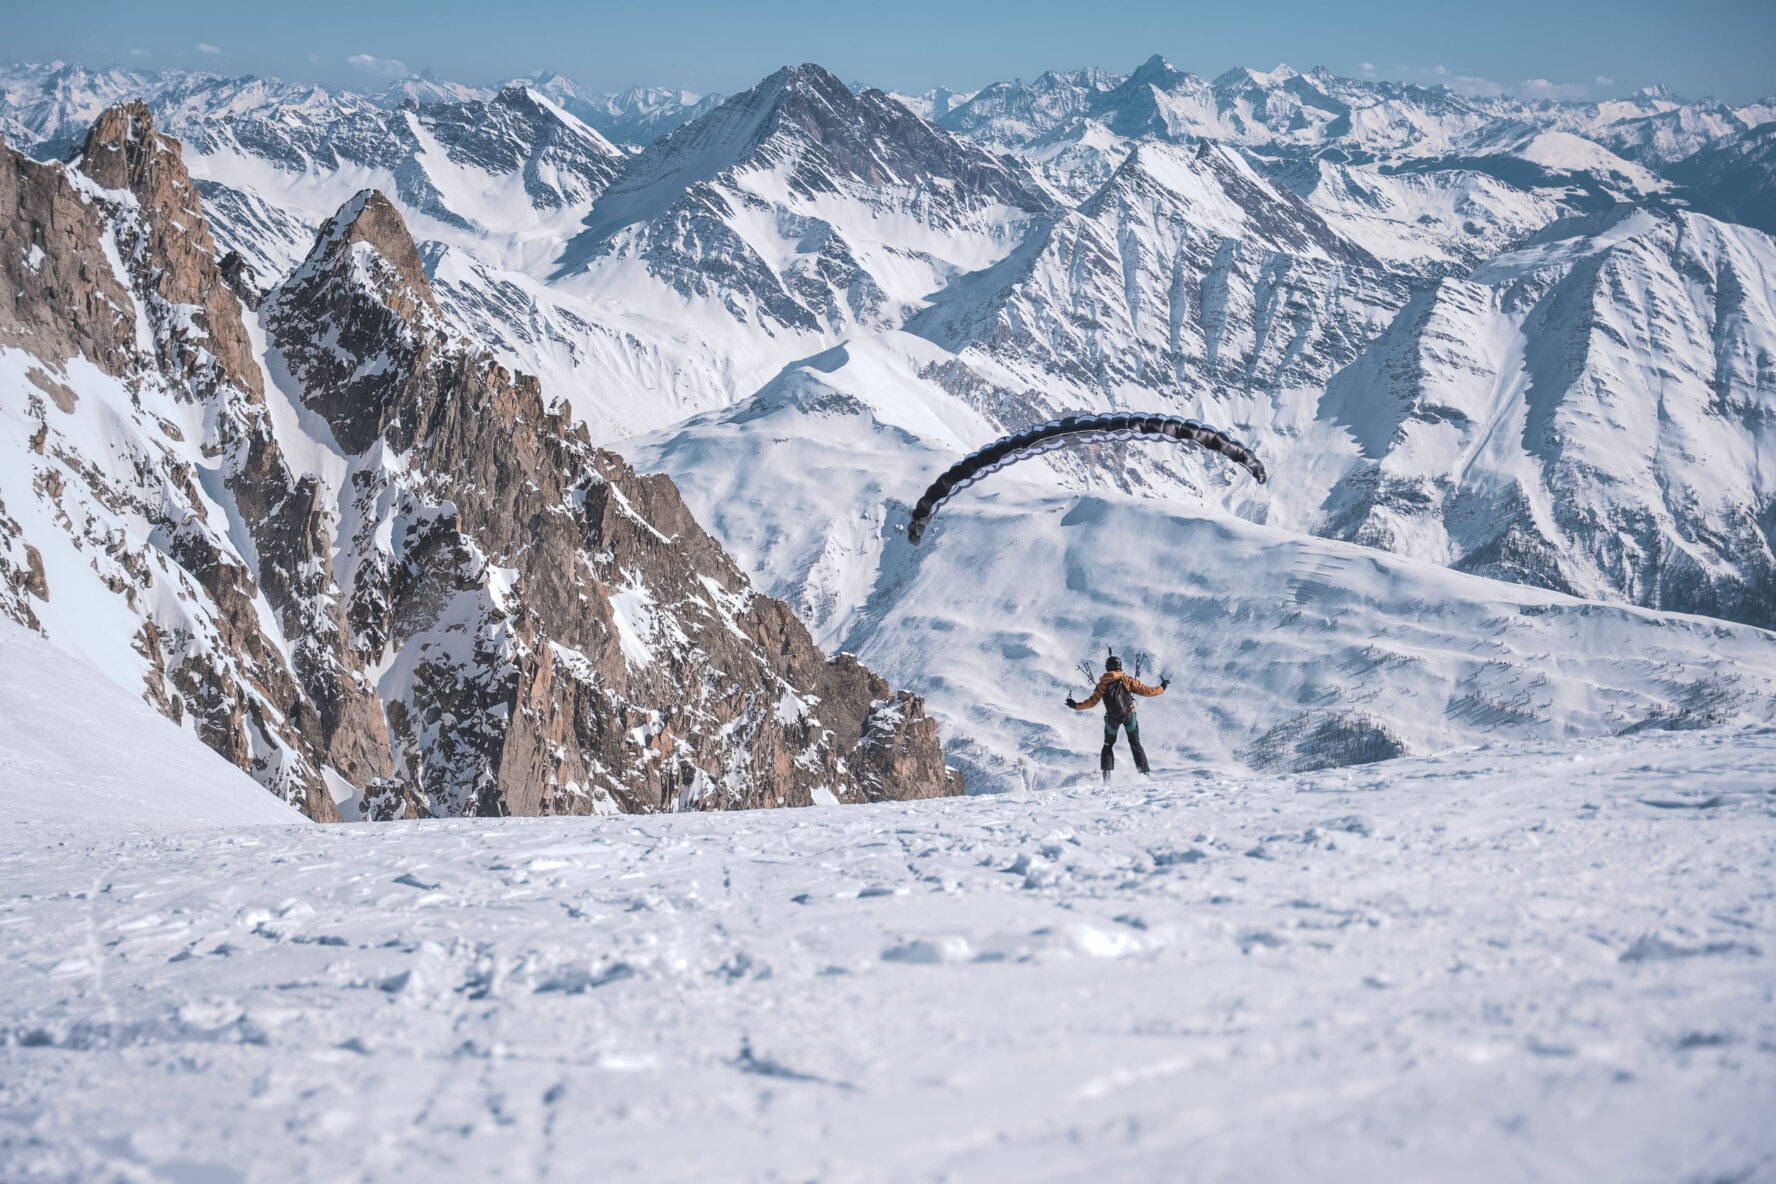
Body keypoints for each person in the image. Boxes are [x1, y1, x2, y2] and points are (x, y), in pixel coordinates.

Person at [1066, 655, 1168, 780]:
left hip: (1111, 719)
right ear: (1119, 667)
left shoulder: (1102, 684)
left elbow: (1091, 702)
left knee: (1108, 745)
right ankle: (1144, 775)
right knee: (1135, 743)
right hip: (1129, 715)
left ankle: (1107, 776)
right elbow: (1147, 691)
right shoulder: (1127, 680)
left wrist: (1075, 706)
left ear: (1107, 668)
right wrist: (1162, 688)